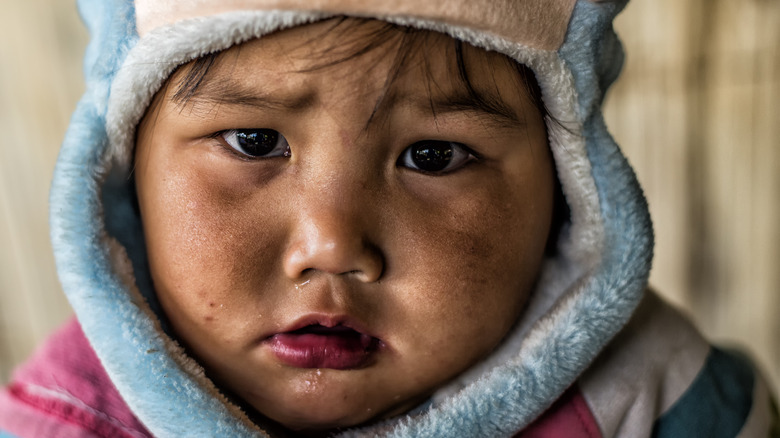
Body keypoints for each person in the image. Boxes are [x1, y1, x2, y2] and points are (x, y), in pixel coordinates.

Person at [0, 0, 776, 437]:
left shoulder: (663, 404)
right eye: (255, 142)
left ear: (569, 192)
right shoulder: (61, 426)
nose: (332, 246)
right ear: (124, 172)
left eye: (433, 157)